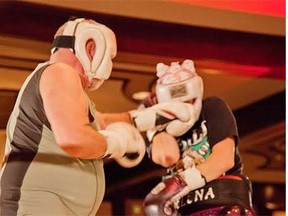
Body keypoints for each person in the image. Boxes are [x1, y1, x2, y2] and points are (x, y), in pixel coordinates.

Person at [0, 18, 198, 216]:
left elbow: (99, 122)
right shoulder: (59, 72)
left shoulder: (59, 81)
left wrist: (144, 117)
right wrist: (118, 142)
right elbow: (74, 138)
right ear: (91, 46)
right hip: (34, 206)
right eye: (110, 56)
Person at [142, 60, 255, 216]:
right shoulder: (162, 129)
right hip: (187, 208)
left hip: (223, 202)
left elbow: (223, 159)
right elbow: (167, 157)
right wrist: (157, 126)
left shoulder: (212, 107)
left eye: (185, 98)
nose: (182, 105)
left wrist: (180, 182)